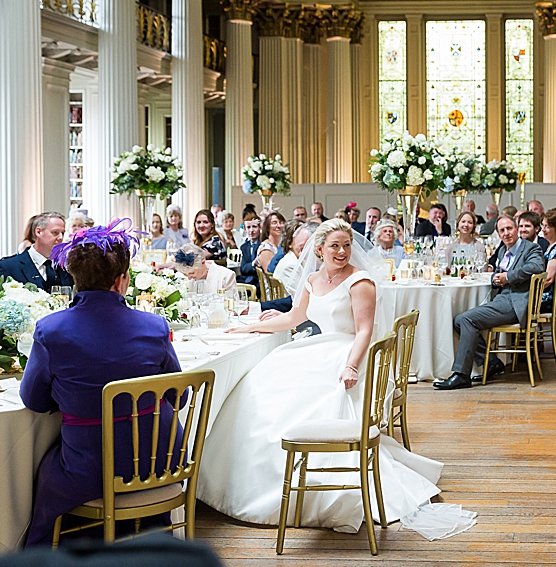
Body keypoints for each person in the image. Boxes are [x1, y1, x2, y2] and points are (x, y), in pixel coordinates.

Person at [196, 219, 444, 533]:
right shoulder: (312, 279)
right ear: (319, 250)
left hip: (346, 353)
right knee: (255, 385)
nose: (342, 252)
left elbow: (365, 330)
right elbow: (294, 318)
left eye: (346, 245)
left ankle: (302, 488)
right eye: (334, 246)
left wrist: (351, 365)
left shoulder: (360, 281)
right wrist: (250, 326)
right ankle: (238, 482)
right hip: (318, 348)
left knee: (305, 400)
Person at [20, 218, 182, 547]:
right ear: (122, 280)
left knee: (42, 466)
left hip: (90, 466)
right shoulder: (154, 326)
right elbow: (179, 394)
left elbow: (34, 400)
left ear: (74, 277)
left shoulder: (50, 330)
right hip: (157, 460)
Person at [435, 216, 546, 390]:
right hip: (502, 298)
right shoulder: (503, 250)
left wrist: (508, 277)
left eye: (509, 228)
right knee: (458, 320)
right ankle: (492, 362)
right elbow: (496, 274)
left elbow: (536, 267)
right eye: (502, 230)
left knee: (467, 319)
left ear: (516, 229)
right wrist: (497, 279)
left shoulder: (531, 248)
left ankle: (461, 375)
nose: (506, 233)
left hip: (516, 302)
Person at [0, 212, 74, 291]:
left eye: (62, 233)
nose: (60, 237)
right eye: (55, 232)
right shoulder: (8, 266)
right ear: (38, 232)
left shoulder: (65, 267)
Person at [238, 213, 262, 288]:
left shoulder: (263, 244)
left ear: (260, 228)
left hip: (259, 281)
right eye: (248, 227)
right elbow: (243, 268)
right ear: (245, 229)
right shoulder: (244, 247)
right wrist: (253, 264)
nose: (251, 230)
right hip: (247, 279)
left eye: (254, 227)